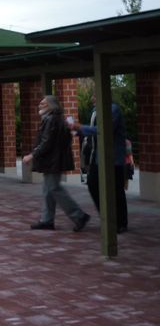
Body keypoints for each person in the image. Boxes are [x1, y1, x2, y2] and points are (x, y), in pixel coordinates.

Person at [23, 95, 90, 232]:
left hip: (53, 160)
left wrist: (32, 155)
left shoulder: (51, 120)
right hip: (54, 160)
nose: (40, 105)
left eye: (43, 103)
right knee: (48, 189)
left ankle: (79, 216)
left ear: (51, 106)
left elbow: (46, 142)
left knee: (54, 188)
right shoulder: (57, 119)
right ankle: (47, 220)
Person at [74, 99, 129, 233]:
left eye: (94, 95)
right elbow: (94, 131)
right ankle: (107, 217)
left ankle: (120, 222)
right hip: (97, 156)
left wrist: (81, 127)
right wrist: (78, 130)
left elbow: (103, 129)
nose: (92, 98)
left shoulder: (112, 109)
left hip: (112, 157)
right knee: (93, 184)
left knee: (116, 190)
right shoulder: (96, 110)